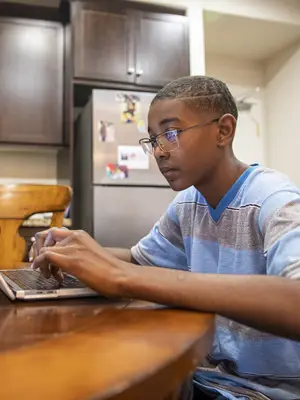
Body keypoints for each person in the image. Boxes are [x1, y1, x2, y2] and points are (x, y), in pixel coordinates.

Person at [31, 76, 300, 400]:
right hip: (203, 379)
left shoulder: (274, 199)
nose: (158, 151)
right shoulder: (188, 205)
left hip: (265, 393)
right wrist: (75, 249)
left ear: (223, 130)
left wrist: (122, 278)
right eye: (153, 140)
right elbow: (139, 260)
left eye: (171, 133)